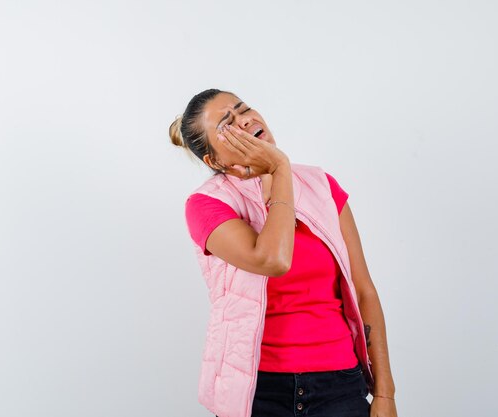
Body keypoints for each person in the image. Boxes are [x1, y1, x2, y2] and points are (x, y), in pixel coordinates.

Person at [169, 88, 398, 417]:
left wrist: (385, 394)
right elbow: (272, 260)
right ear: (214, 160)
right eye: (227, 124)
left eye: (244, 109)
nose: (245, 120)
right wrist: (279, 170)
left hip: (340, 387)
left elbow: (364, 291)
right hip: (258, 392)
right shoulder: (206, 205)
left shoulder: (322, 186)